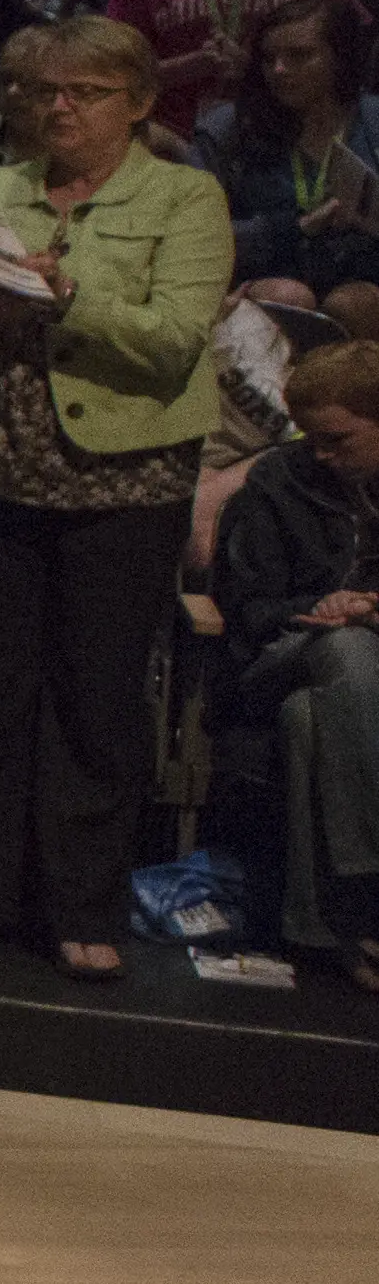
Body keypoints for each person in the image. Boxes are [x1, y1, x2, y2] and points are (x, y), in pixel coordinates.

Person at [0, 19, 229, 980]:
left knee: (96, 697)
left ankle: (80, 904)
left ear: (136, 102)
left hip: (124, 482)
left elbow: (173, 340)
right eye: (42, 91)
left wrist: (70, 293)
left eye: (82, 91)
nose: (57, 108)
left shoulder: (183, 195)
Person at [212, 341, 379, 979]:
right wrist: (325, 605)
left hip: (346, 677)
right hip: (278, 655)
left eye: (338, 439)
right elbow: (247, 606)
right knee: (342, 647)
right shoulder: (278, 481)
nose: (321, 453)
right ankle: (371, 880)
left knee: (311, 718)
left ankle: (328, 934)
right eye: (311, 437)